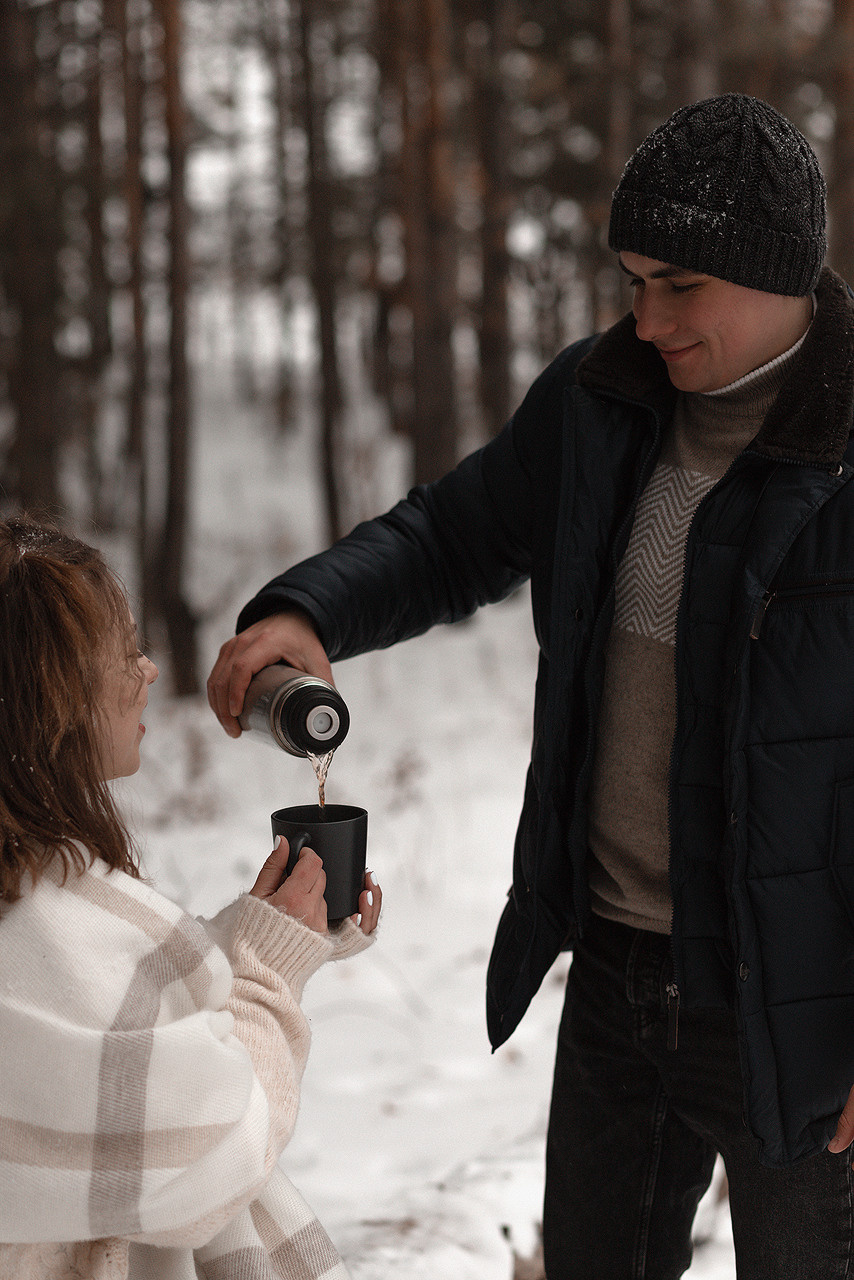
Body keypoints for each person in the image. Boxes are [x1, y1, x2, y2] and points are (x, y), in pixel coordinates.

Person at [207, 93, 854, 1278]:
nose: (643, 318)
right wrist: (309, 604)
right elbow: (451, 534)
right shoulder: (597, 401)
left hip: (797, 1005)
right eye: (628, 282)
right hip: (613, 979)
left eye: (676, 287)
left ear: (773, 275)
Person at [0, 515, 381, 1279]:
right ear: (57, 696)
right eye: (125, 651)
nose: (147, 671)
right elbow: (213, 1149)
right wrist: (270, 978)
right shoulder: (53, 928)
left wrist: (259, 931)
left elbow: (124, 1023)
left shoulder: (41, 901)